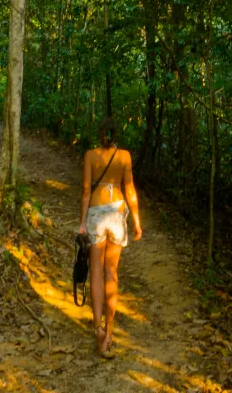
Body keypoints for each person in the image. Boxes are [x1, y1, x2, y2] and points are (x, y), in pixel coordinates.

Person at [78, 116, 143, 357]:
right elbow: (130, 190)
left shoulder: (90, 156)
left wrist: (82, 223)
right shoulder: (125, 157)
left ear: (100, 134)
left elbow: (86, 191)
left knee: (96, 272)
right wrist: (136, 221)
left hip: (96, 214)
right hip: (116, 214)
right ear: (116, 135)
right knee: (111, 273)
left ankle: (97, 329)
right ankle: (111, 332)